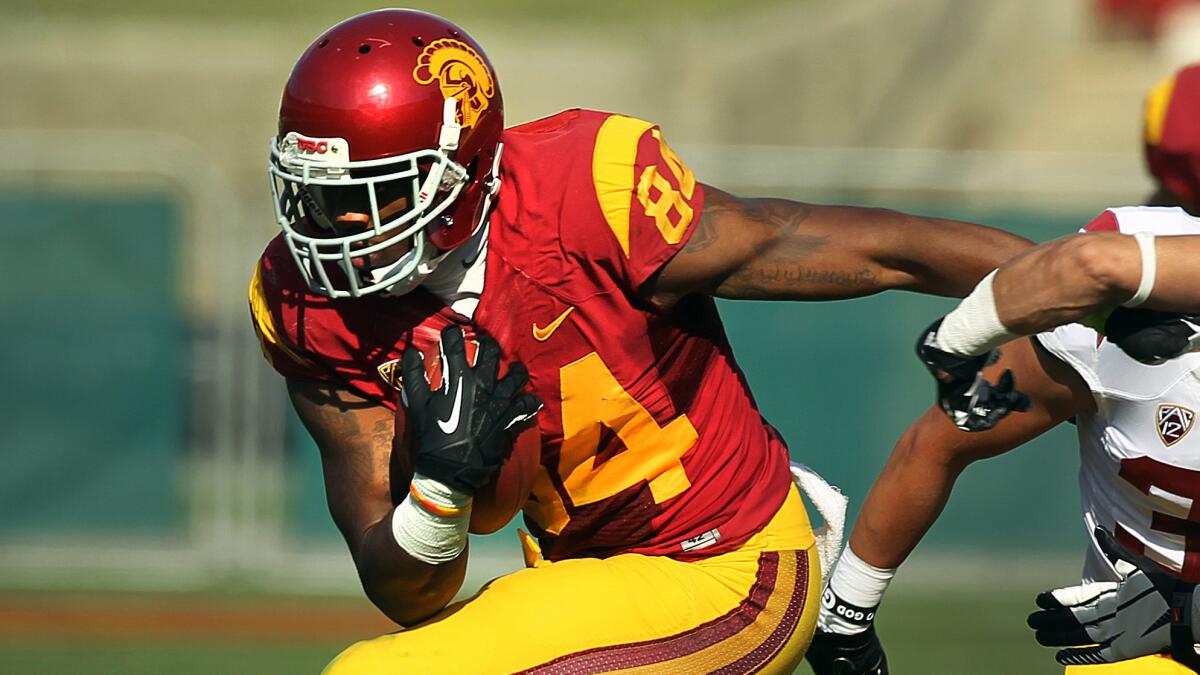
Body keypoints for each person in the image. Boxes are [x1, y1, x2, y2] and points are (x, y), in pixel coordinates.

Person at [248, 9, 1032, 673]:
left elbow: (866, 248)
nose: (336, 228)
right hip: (581, 580)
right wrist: (439, 495)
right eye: (316, 195)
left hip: (724, 566)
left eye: (374, 195)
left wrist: (1071, 279)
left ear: (464, 167)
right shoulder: (307, 305)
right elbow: (404, 588)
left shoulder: (587, 192)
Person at [807, 63, 1200, 675]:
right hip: (1143, 652)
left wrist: (1185, 611)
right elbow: (937, 447)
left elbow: (1088, 263)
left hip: (1154, 622)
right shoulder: (1110, 322)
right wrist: (845, 616)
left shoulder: (1112, 284)